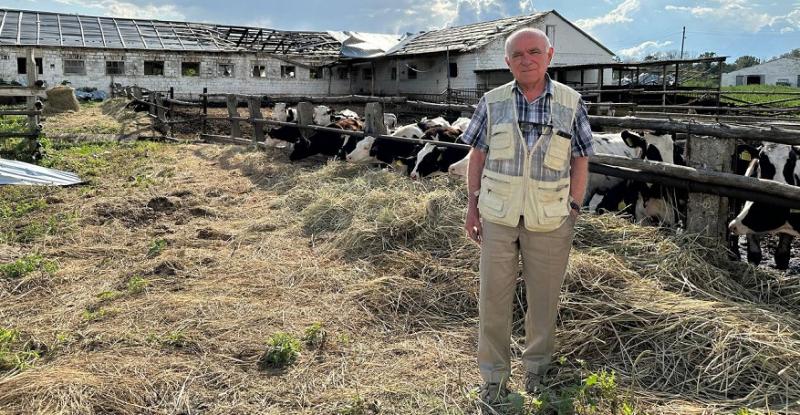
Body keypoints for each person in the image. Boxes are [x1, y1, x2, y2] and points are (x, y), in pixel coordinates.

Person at [459, 27, 594, 406]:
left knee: (544, 298)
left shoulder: (571, 102)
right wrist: (472, 206)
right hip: (498, 216)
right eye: (517, 55)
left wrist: (574, 207)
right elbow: (478, 156)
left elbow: (581, 157)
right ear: (507, 62)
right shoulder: (492, 100)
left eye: (534, 52)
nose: (526, 59)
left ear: (549, 55)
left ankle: (537, 370)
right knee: (493, 297)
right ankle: (494, 377)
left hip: (552, 218)